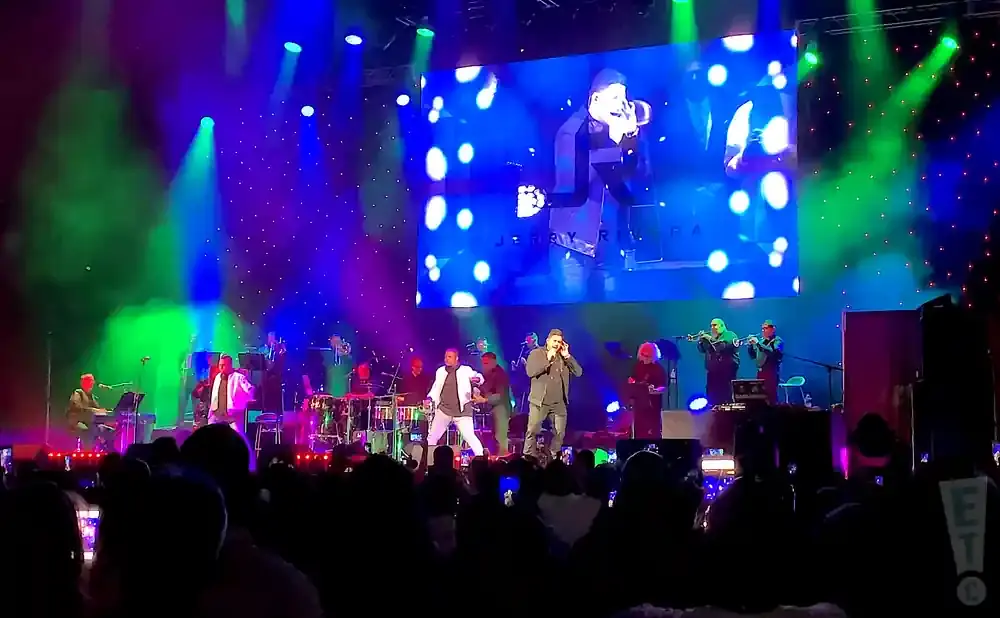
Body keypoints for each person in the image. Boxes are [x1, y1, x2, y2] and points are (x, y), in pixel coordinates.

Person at [524, 329, 583, 460]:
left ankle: (552, 457)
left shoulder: (563, 356)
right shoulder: (537, 353)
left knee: (559, 433)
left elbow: (578, 372)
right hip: (539, 401)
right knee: (532, 431)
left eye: (559, 342)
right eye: (554, 341)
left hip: (558, 403)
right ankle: (528, 459)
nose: (557, 344)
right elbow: (530, 372)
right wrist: (547, 360)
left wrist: (567, 356)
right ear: (548, 341)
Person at [426, 349, 485, 456]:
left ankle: (482, 459)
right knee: (432, 437)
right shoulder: (440, 371)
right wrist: (430, 398)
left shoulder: (465, 370)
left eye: (449, 357)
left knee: (470, 437)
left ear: (456, 358)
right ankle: (426, 461)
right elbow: (435, 389)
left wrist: (478, 379)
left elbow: (479, 376)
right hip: (444, 411)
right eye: (446, 357)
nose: (446, 359)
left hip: (462, 412)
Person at [474, 352, 512, 455]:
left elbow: (500, 396)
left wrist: (485, 399)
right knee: (494, 437)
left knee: (500, 437)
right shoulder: (488, 374)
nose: (484, 366)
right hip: (493, 409)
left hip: (501, 409)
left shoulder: (500, 375)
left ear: (493, 362)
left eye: (486, 363)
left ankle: (503, 460)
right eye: (483, 363)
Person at [627, 342, 667, 439]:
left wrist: (654, 390)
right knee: (639, 431)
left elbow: (663, 387)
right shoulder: (638, 366)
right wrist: (633, 383)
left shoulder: (658, 369)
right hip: (639, 404)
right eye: (643, 355)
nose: (645, 358)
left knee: (653, 432)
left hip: (653, 406)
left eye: (648, 356)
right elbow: (631, 379)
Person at [695, 318, 739, 406]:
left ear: (722, 326)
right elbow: (702, 350)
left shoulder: (729, 335)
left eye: (715, 325)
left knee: (726, 396)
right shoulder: (712, 337)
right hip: (712, 372)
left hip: (726, 371)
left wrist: (709, 338)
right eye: (711, 325)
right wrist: (701, 341)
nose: (712, 328)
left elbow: (722, 347)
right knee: (712, 397)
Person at [209, 354, 255, 436]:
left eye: (223, 365)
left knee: (237, 436)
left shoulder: (238, 377)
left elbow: (250, 389)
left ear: (229, 365)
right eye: (220, 365)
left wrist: (246, 398)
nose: (221, 367)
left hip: (232, 415)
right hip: (217, 414)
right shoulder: (218, 377)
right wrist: (211, 411)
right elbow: (214, 396)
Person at [66, 373, 111, 449]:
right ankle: (87, 453)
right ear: (83, 382)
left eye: (92, 381)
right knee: (88, 431)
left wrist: (106, 412)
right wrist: (93, 410)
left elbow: (97, 410)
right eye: (90, 381)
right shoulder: (78, 393)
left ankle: (108, 451)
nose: (92, 383)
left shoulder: (92, 396)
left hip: (91, 423)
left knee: (107, 430)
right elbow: (76, 406)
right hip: (78, 421)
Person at [746, 320, 784, 404]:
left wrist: (757, 343)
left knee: (771, 397)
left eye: (765, 328)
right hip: (760, 372)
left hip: (771, 373)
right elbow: (753, 356)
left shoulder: (777, 340)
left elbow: (772, 353)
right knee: (760, 397)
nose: (763, 330)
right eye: (762, 328)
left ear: (773, 329)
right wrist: (750, 346)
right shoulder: (762, 341)